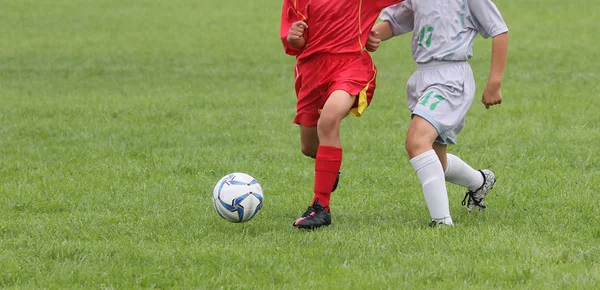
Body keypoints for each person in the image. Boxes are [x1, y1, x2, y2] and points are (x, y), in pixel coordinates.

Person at [366, 0, 509, 226]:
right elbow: (394, 23)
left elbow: (499, 30)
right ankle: (480, 181)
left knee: (417, 142)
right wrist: (373, 35)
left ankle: (442, 222)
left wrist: (495, 82)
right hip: (423, 77)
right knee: (437, 162)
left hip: (451, 78)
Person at [280, 0, 404, 230]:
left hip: (350, 65)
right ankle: (328, 169)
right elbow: (295, 43)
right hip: (311, 72)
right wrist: (294, 38)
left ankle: (320, 207)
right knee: (309, 148)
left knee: (328, 121)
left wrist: (369, 32)